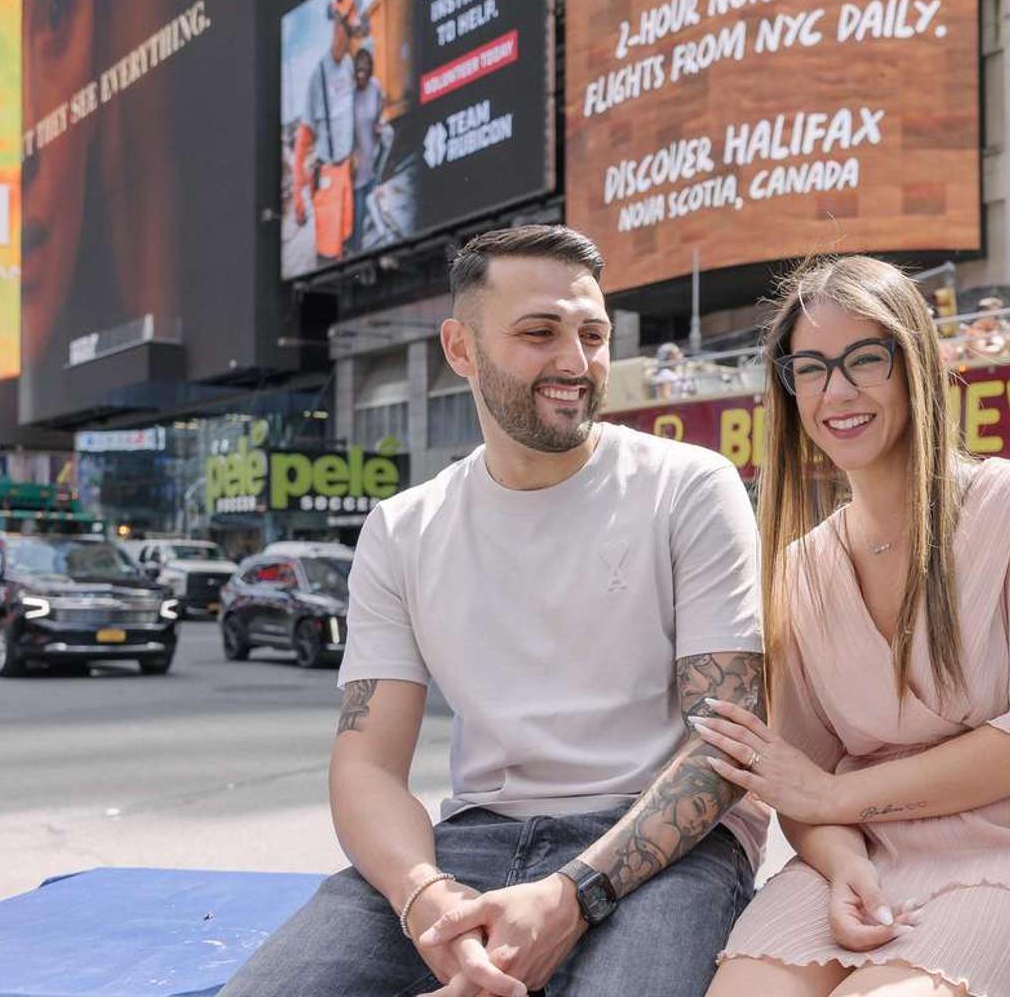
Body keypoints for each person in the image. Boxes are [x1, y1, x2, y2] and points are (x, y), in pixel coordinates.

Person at [222, 226, 767, 997]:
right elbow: (368, 764)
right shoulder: (404, 527)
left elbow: (728, 745)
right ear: (460, 349)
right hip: (472, 843)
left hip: (668, 850)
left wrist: (571, 895)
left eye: (592, 333)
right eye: (539, 333)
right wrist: (428, 902)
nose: (574, 362)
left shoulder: (689, 486)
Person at [700, 255, 1010, 996]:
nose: (837, 391)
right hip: (866, 855)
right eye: (811, 368)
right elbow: (802, 783)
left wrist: (835, 798)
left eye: (864, 358)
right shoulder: (800, 568)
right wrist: (843, 856)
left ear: (914, 363)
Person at [302, 0, 362, 261]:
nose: (344, 34)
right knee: (327, 252)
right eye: (342, 26)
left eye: (347, 29)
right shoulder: (318, 77)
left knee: (348, 245)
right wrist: (299, 192)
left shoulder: (349, 65)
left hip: (345, 173)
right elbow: (303, 137)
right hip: (326, 176)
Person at [351, 46, 386, 252]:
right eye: (358, 71)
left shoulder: (375, 86)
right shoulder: (351, 96)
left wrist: (379, 123)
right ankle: (355, 250)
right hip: (357, 168)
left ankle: (383, 240)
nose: (361, 75)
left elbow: (380, 105)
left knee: (376, 203)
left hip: (373, 157)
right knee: (359, 213)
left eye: (365, 71)